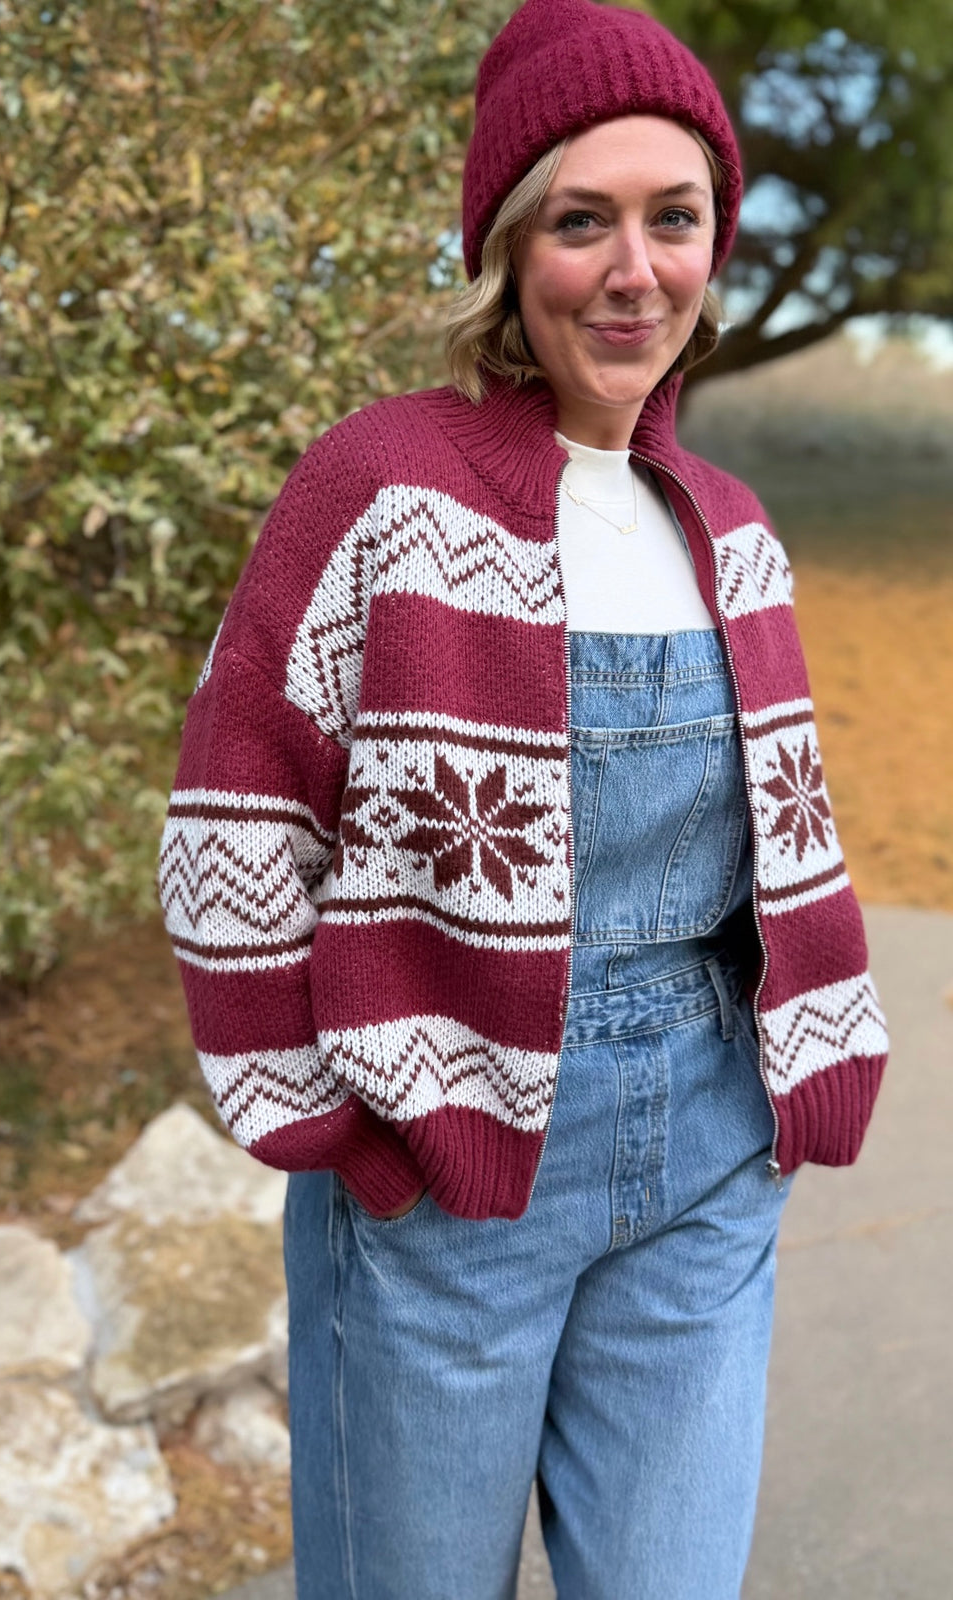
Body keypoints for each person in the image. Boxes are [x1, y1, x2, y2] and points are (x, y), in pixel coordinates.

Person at [157, 1, 890, 1595]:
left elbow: (789, 841)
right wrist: (340, 1133)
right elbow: (234, 828)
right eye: (583, 221)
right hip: (449, 1175)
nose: (636, 270)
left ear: (715, 245)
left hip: (703, 1165)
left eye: (674, 218)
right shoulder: (379, 491)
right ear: (508, 248)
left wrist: (807, 1069)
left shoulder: (732, 527)